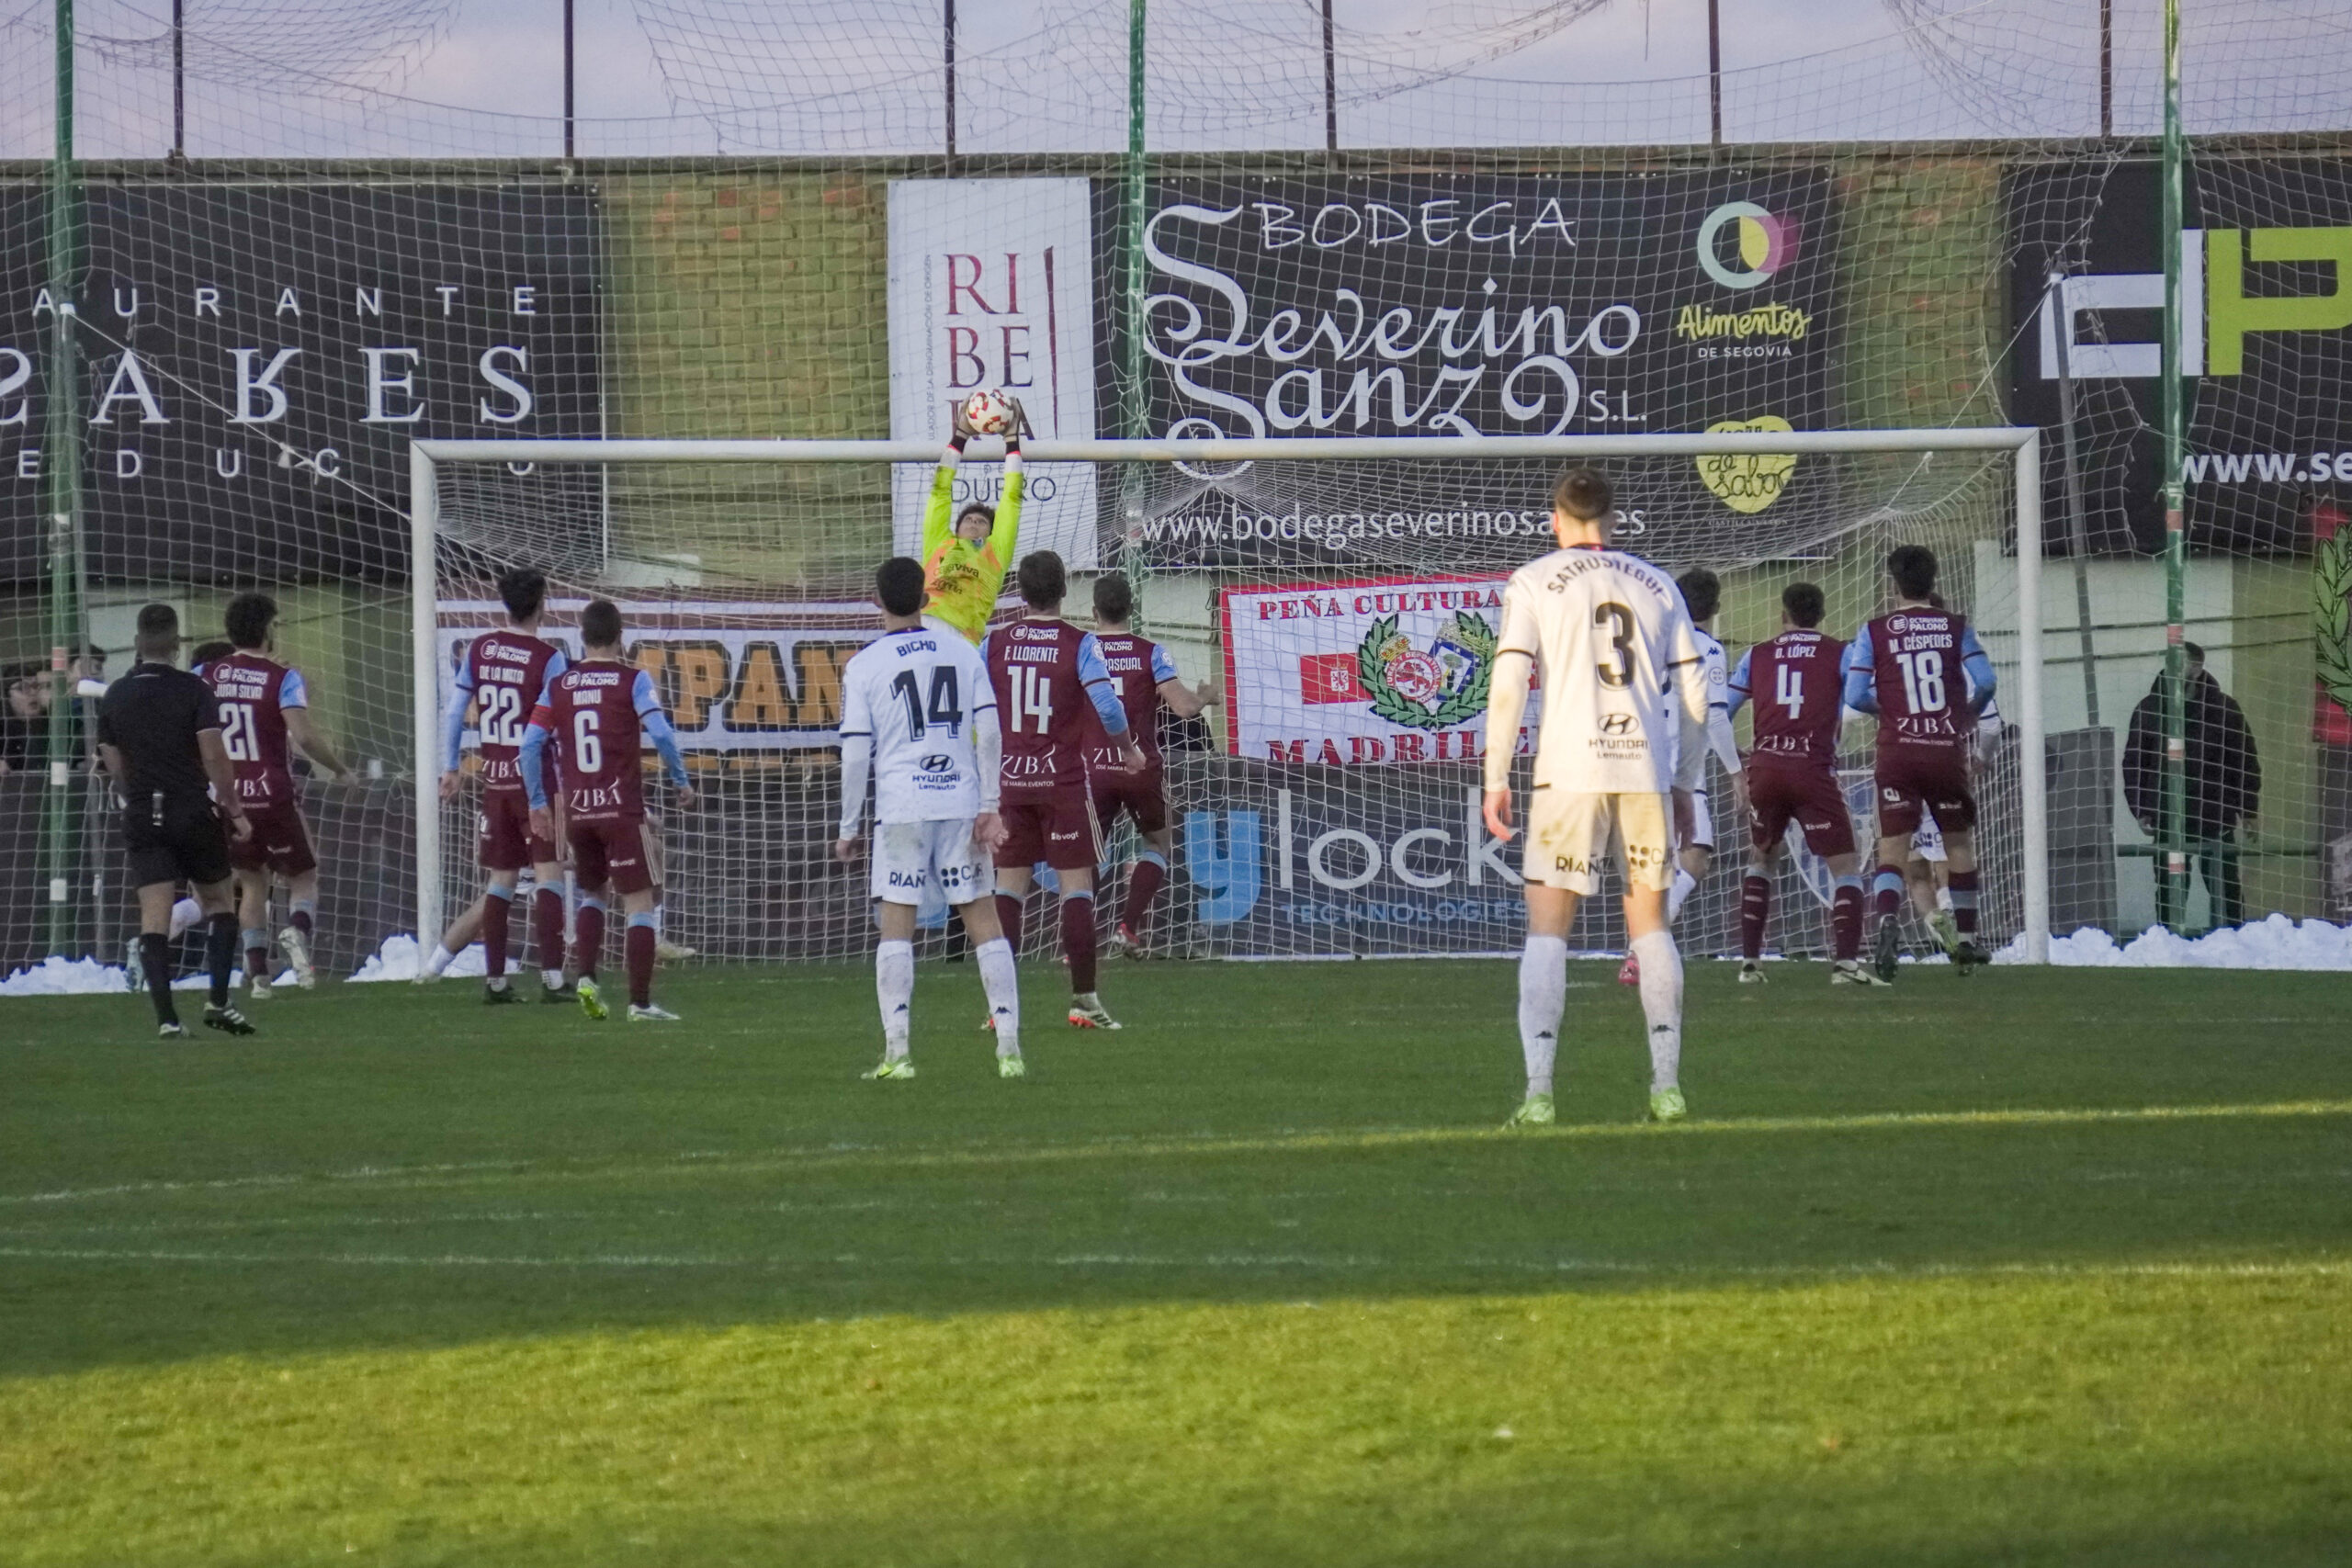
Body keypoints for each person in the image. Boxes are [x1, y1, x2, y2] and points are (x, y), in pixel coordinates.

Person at [1483, 468, 1708, 1126]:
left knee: (1548, 930)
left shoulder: (1532, 579)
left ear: (1556, 518)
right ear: (1614, 519)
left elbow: (1510, 680)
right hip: (1642, 768)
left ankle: (1539, 1093)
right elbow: (1695, 697)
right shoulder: (1658, 582)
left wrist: (1496, 776)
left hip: (1567, 772)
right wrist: (1686, 782)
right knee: (1652, 928)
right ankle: (1667, 1088)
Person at [834, 557, 1024, 1079]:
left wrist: (849, 826)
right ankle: (1009, 1048)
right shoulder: (962, 652)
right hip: (960, 803)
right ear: (926, 598)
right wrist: (990, 805)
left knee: (897, 927)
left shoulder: (864, 665)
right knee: (983, 921)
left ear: (876, 601)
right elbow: (990, 733)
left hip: (903, 809)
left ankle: (898, 1054)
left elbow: (855, 752)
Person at [984, 550, 1147, 1030]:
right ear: (1064, 591)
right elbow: (1109, 707)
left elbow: (978, 711)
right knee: (1075, 887)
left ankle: (1000, 1009)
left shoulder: (993, 643)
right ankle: (1084, 1002)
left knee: (1008, 887)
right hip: (1062, 782)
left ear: (1020, 592)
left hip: (1011, 781)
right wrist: (1130, 750)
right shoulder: (1079, 643)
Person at [521, 599, 694, 1023]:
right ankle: (639, 1003)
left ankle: (586, 978)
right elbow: (662, 734)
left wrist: (539, 802)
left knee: (592, 894)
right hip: (621, 809)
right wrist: (680, 779)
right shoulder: (632, 680)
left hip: (578, 813)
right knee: (638, 904)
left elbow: (528, 745)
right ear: (621, 637)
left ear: (582, 638)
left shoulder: (559, 684)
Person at [94, 604, 255, 1038]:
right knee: (221, 904)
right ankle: (218, 1002)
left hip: (144, 814)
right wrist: (233, 808)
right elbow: (213, 753)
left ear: (137, 643)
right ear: (177, 642)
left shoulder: (116, 695)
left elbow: (111, 759)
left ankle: (167, 1020)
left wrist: (134, 796)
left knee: (154, 918)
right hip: (190, 810)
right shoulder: (194, 689)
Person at [1840, 546, 1997, 979]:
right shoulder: (1956, 627)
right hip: (1943, 748)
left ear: (1894, 586)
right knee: (1959, 845)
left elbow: (1853, 696)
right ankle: (1965, 941)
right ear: (1934, 582)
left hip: (1897, 749)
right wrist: (1964, 714)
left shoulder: (1873, 631)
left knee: (1892, 850)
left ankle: (1888, 921)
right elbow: (1986, 681)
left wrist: (1887, 711)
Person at [208, 592, 357, 998]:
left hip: (228, 797)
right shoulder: (281, 677)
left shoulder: (207, 673)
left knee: (253, 885)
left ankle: (258, 977)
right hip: (272, 793)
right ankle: (296, 932)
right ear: (267, 629)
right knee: (304, 876)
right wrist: (340, 769)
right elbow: (304, 735)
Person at [1725, 581, 1876, 985]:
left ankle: (1751, 964)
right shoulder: (1840, 653)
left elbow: (1721, 708)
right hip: (1812, 768)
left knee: (1762, 858)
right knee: (1846, 866)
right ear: (1822, 615)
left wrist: (1736, 762)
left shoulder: (1756, 655)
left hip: (1766, 768)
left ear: (1782, 615)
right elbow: (1863, 695)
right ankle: (1845, 965)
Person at [434, 567, 572, 1003]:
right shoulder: (549, 658)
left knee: (502, 879)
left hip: (494, 778)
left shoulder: (481, 647)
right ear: (542, 603)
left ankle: (495, 982)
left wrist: (450, 767)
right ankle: (552, 978)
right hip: (536, 778)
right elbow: (560, 729)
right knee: (548, 873)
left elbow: (455, 712)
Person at [1623, 568, 1743, 985]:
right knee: (1694, 854)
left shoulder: (1649, 645)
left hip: (1638, 764)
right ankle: (1640, 948)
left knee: (1659, 862)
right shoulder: (1706, 648)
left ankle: (1642, 948)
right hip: (1681, 770)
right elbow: (1714, 717)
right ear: (1717, 607)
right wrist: (1737, 772)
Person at [1089, 574, 1218, 958]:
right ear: (1131, 610)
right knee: (1158, 844)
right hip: (1140, 767)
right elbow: (1184, 708)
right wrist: (1206, 696)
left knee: (1083, 856)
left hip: (1092, 768)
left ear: (1094, 612)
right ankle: (1127, 928)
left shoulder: (1082, 649)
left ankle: (1074, 942)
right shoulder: (1151, 651)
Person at [2122, 641, 2259, 930]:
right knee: (2171, 889)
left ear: (2198, 668)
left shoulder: (2225, 709)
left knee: (2225, 888)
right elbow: (2135, 763)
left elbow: (2243, 761)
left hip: (2214, 815)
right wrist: (2140, 809)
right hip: (2167, 816)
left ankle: (2234, 941)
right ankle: (2168, 943)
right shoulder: (2149, 709)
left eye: (2183, 663)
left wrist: (2248, 810)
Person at [921, 394, 1030, 645]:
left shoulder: (996, 553)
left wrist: (1012, 441)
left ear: (991, 532)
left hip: (965, 638)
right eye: (968, 519)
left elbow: (1012, 499)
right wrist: (960, 435)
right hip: (924, 623)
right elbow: (940, 491)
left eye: (981, 522)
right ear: (956, 528)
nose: (973, 523)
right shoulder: (938, 543)